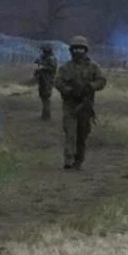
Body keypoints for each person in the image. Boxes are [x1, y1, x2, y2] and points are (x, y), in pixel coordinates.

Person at [53, 35, 107, 170]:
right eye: (75, 49)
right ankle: (68, 159)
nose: (78, 52)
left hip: (85, 105)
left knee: (82, 134)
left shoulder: (93, 67)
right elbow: (58, 81)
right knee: (70, 132)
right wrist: (68, 90)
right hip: (70, 105)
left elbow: (102, 80)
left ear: (85, 50)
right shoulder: (66, 67)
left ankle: (79, 159)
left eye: (81, 49)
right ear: (71, 50)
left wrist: (90, 86)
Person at [33, 43, 58, 120]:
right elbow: (36, 61)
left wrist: (42, 67)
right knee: (43, 97)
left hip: (47, 80)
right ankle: (44, 115)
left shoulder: (51, 58)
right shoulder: (44, 58)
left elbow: (52, 68)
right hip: (43, 79)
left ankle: (46, 116)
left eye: (44, 50)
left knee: (46, 98)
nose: (43, 52)